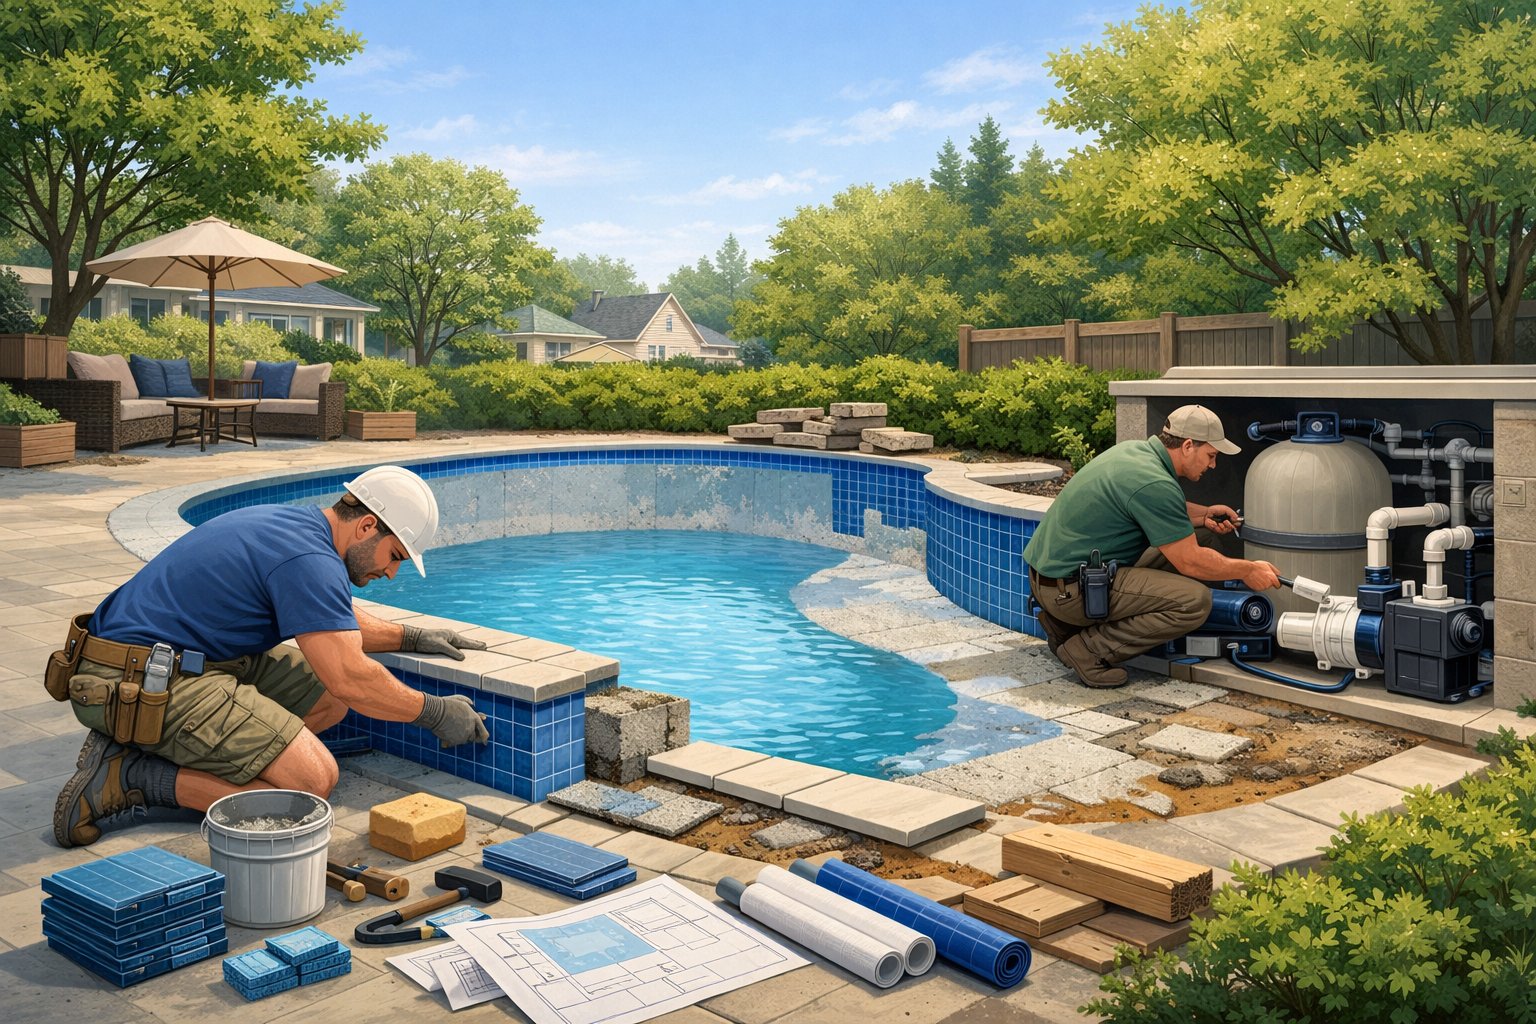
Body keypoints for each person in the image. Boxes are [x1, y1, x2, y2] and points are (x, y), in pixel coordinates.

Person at [49, 464, 491, 848]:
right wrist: (434, 712)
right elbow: (351, 676)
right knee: (312, 782)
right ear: (366, 527)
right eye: (395, 556)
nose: (392, 573)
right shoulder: (308, 557)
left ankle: (214, 751)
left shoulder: (295, 528)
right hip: (141, 678)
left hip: (172, 661)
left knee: (326, 699)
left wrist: (412, 637)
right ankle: (131, 778)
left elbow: (333, 620)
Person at [1022, 405, 1282, 689]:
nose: (1213, 465)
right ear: (1186, 446)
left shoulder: (1136, 454)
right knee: (1194, 602)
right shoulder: (1155, 482)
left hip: (1051, 581)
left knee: (1202, 538)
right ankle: (1088, 651)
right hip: (1071, 592)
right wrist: (1247, 569)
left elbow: (1153, 504)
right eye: (1211, 455)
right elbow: (1191, 562)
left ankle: (1064, 628)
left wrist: (1204, 515)